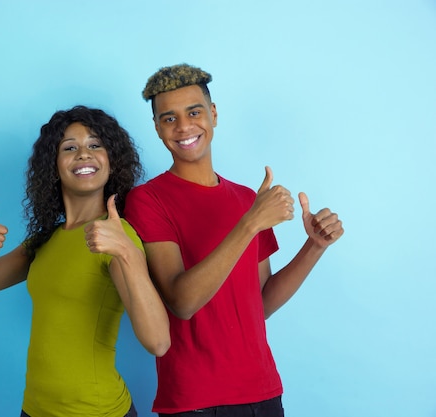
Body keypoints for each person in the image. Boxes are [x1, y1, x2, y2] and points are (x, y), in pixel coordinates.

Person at [124, 64, 344, 416]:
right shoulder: (147, 200)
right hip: (195, 399)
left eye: (194, 112)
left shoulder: (246, 199)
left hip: (264, 391)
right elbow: (182, 301)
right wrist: (250, 224)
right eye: (169, 118)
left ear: (212, 114)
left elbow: (262, 303)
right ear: (156, 127)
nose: (183, 127)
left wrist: (314, 246)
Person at [0, 105, 170, 417]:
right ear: (54, 166)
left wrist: (128, 253)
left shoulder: (115, 238)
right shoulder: (45, 241)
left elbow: (158, 342)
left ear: (112, 162)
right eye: (70, 147)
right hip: (35, 409)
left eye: (95, 145)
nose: (83, 154)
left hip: (96, 411)